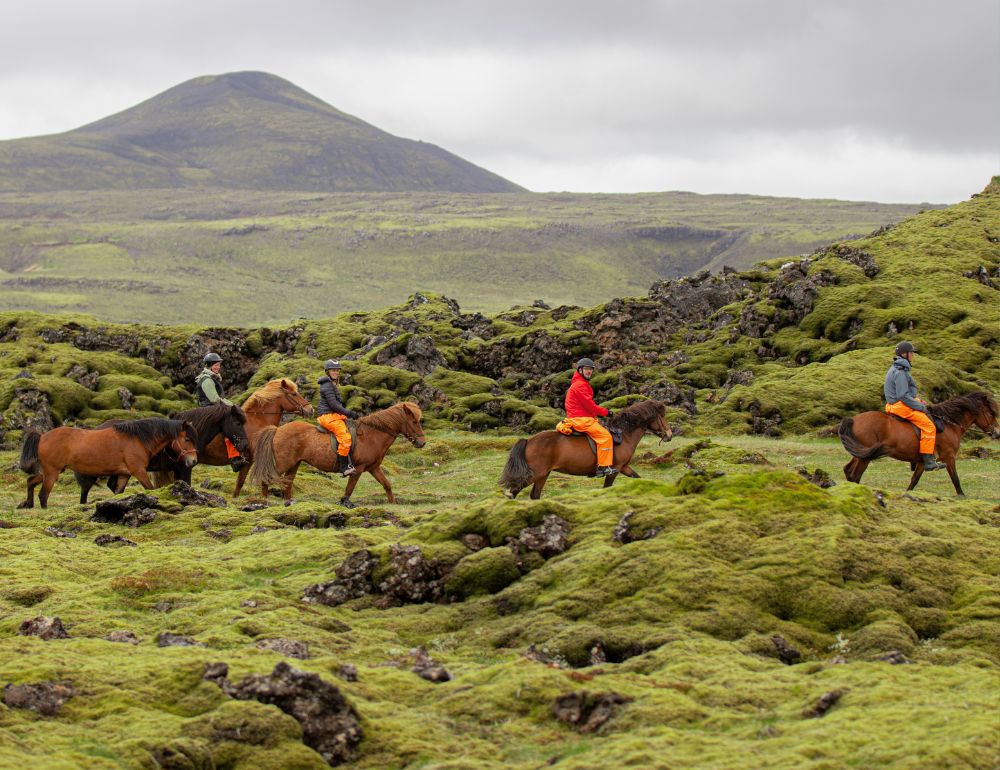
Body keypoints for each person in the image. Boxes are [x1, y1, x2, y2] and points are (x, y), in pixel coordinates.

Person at [884, 341, 946, 472]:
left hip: (900, 402)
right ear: (904, 354)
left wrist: (919, 400)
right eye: (911, 352)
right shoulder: (900, 371)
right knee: (929, 426)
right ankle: (929, 462)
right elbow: (903, 395)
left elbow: (907, 394)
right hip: (899, 405)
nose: (913, 355)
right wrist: (920, 407)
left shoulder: (900, 368)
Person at [556, 358, 618, 477]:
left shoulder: (580, 384)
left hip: (580, 417)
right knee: (605, 436)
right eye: (586, 369)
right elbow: (590, 406)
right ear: (580, 370)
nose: (589, 371)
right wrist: (607, 413)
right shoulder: (580, 385)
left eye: (591, 369)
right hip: (581, 419)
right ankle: (603, 467)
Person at [195, 352, 245, 472]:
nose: (217, 367)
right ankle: (234, 458)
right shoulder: (207, 380)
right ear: (209, 365)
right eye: (215, 365)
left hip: (214, 408)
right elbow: (214, 399)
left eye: (218, 365)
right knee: (228, 427)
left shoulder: (212, 377)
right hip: (210, 409)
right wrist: (231, 405)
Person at [318, 360, 361, 476]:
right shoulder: (327, 385)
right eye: (333, 370)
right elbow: (334, 405)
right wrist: (349, 413)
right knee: (346, 437)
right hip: (327, 416)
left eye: (337, 370)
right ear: (327, 372)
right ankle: (343, 468)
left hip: (332, 414)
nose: (336, 373)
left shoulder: (332, 384)